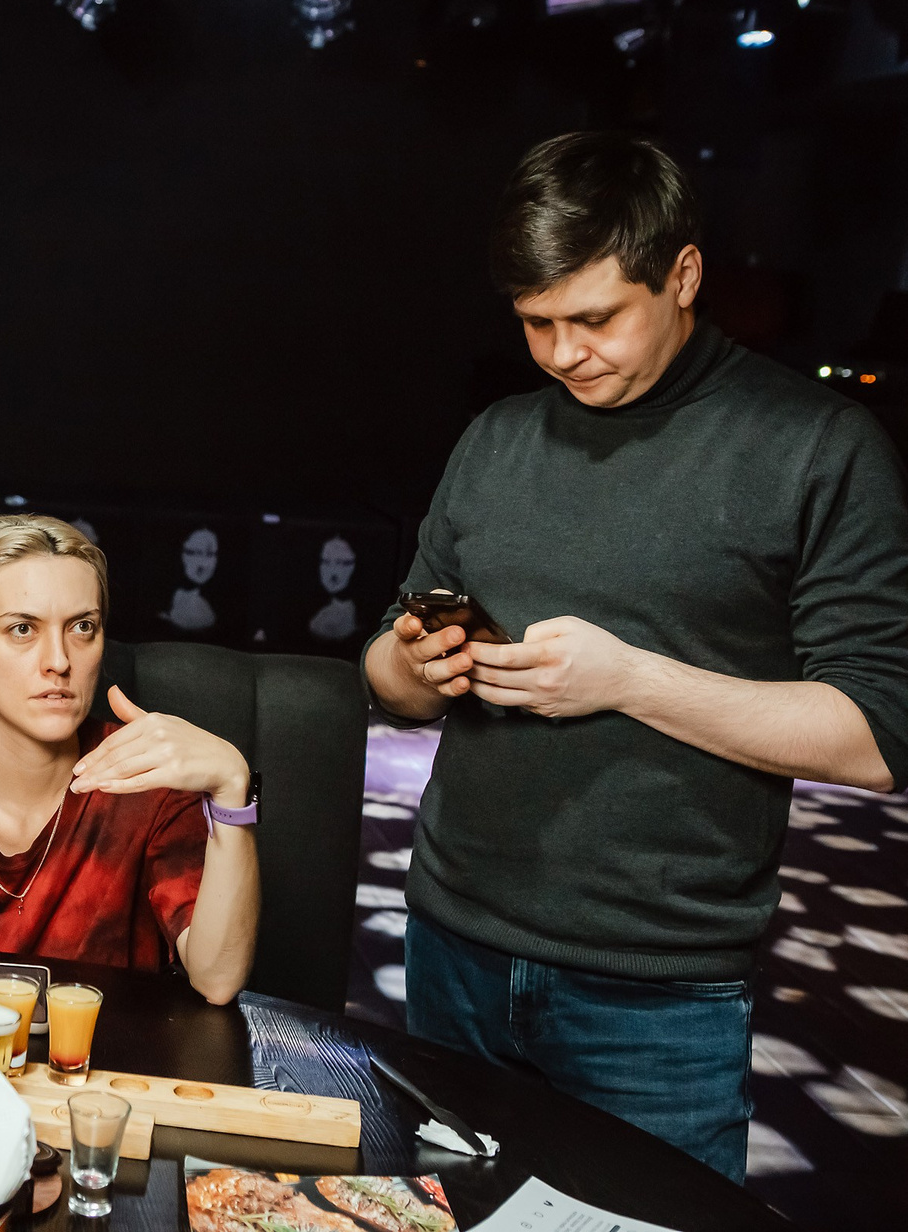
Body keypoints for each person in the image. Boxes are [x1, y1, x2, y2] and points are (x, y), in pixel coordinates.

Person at [362, 132, 908, 1181]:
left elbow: (877, 736)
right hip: (450, 943)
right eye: (537, 323)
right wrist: (415, 663)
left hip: (657, 993)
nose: (564, 354)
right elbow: (388, 674)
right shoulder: (498, 437)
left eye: (596, 318)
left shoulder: (817, 447)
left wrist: (628, 680)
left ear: (684, 275)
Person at [0, 515, 260, 1004]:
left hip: (113, 1055)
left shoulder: (149, 786)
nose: (59, 661)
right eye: (23, 629)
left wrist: (233, 786)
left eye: (83, 627)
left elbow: (218, 979)